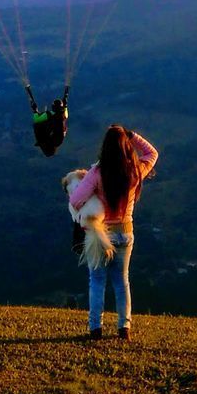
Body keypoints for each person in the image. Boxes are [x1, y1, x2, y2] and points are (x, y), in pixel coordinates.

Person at [66, 124, 159, 342]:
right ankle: (123, 328)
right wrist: (132, 135)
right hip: (125, 232)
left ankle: (95, 328)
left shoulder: (97, 173)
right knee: (121, 281)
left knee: (97, 280)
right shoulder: (135, 170)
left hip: (100, 233)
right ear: (126, 146)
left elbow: (76, 200)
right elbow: (152, 153)